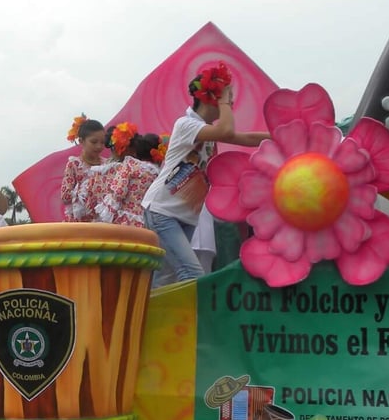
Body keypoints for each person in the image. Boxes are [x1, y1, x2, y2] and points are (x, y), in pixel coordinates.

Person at [141, 63, 269, 287]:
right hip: (162, 211)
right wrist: (224, 99)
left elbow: (244, 138)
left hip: (184, 215)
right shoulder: (186, 124)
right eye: (229, 98)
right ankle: (182, 322)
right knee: (191, 273)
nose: (231, 104)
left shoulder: (205, 129)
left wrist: (278, 135)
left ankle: (149, 319)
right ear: (212, 98)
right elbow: (227, 131)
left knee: (166, 278)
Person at [89, 131, 163, 228]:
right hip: (144, 222)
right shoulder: (158, 175)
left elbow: (119, 192)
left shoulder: (130, 164)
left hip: (124, 219)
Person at [61, 116, 107, 222]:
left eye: (102, 142)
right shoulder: (74, 164)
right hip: (78, 223)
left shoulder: (106, 165)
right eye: (94, 142)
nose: (99, 146)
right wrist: (86, 191)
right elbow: (65, 196)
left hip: (101, 222)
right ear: (81, 141)